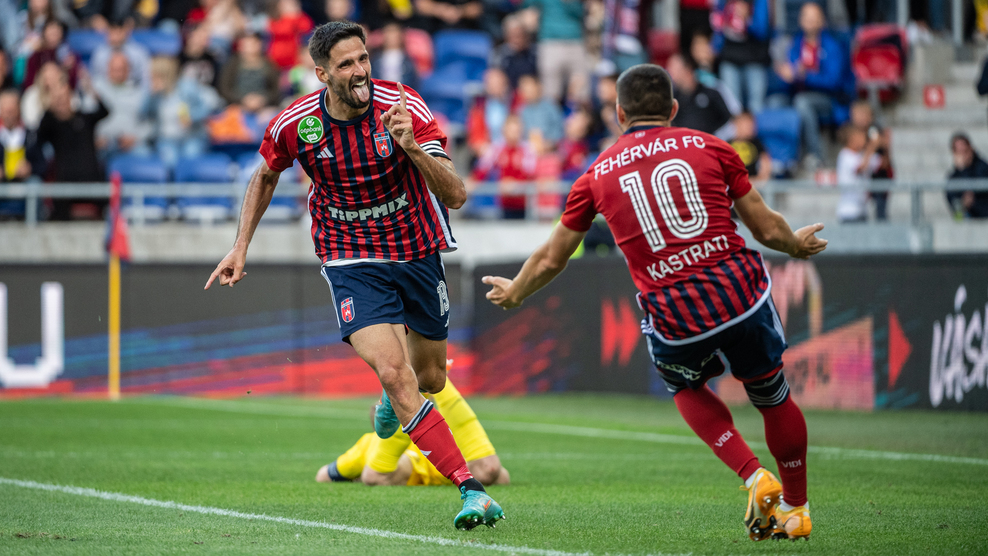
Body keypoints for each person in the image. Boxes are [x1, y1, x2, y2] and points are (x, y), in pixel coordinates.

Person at [482, 64, 826, 542]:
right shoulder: (713, 146)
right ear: (674, 109)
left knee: (685, 388)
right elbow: (766, 228)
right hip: (740, 294)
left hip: (676, 311)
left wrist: (516, 291)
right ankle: (797, 508)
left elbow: (551, 257)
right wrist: (796, 246)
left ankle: (753, 476)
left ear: (619, 113)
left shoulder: (596, 175)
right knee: (771, 395)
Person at [204, 21, 504, 530]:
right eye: (346, 64)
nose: (360, 70)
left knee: (431, 378)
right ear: (322, 74)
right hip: (349, 258)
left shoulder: (404, 107)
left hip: (416, 250)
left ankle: (391, 405)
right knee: (394, 373)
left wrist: (411, 146)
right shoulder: (297, 124)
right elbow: (266, 174)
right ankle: (471, 490)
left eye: (363, 58)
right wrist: (240, 246)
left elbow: (456, 195)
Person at [317, 372, 510, 486]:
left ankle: (432, 380)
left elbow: (498, 474)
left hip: (440, 465)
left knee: (493, 471)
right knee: (491, 471)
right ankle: (425, 382)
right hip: (416, 469)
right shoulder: (369, 444)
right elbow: (324, 475)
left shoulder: (437, 428)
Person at [774, 2, 846, 167]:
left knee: (802, 102)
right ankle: (782, 158)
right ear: (800, 20)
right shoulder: (795, 44)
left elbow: (833, 81)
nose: (810, 20)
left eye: (814, 17)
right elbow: (789, 76)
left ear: (822, 21)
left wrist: (805, 76)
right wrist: (785, 76)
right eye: (806, 16)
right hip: (795, 94)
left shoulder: (831, 46)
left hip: (827, 99)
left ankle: (816, 154)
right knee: (774, 103)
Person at [36, 76, 109, 219]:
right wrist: (51, 105)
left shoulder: (84, 118)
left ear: (70, 97)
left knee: (107, 206)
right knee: (58, 213)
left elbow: (105, 111)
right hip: (65, 179)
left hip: (91, 178)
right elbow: (40, 136)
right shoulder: (52, 123)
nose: (61, 101)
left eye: (64, 96)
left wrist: (91, 90)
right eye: (58, 98)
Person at [142, 56, 219, 169]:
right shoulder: (154, 95)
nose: (153, 80)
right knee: (169, 162)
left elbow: (204, 110)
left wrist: (191, 117)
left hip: (191, 137)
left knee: (190, 159)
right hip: (166, 139)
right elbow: (143, 114)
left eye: (156, 76)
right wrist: (150, 96)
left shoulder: (187, 87)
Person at [472, 114, 537, 219]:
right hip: (501, 204)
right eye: (511, 131)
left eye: (517, 131)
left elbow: (531, 174)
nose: (514, 134)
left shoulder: (527, 150)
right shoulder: (496, 148)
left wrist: (515, 184)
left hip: (523, 204)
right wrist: (473, 181)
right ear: (504, 131)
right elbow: (482, 170)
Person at [521, 0, 588, 103]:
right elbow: (527, 6)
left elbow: (583, 12)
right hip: (550, 44)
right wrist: (529, 16)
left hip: (575, 42)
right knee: (551, 95)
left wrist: (571, 3)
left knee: (580, 93)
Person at [712, 0, 771, 114]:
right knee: (732, 107)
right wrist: (716, 46)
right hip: (729, 58)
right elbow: (718, 26)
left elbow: (763, 31)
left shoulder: (759, 2)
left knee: (757, 107)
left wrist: (748, 18)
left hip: (755, 59)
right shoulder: (723, 2)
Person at [94, 52, 150, 159]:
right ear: (108, 69)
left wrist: (136, 137)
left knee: (145, 155)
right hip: (103, 143)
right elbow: (86, 117)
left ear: (128, 70)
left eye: (121, 69)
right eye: (114, 69)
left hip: (132, 143)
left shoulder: (139, 93)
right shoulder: (96, 89)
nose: (117, 73)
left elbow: (149, 123)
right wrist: (95, 137)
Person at [667, 54, 734, 138]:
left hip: (711, 141)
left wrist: (715, 137)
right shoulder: (672, 99)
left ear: (687, 69)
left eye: (675, 69)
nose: (671, 74)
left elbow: (729, 118)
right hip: (684, 143)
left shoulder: (711, 92)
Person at [848, 100, 892, 220]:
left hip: (879, 176)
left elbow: (884, 158)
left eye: (862, 115)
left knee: (880, 209)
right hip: (865, 178)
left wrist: (875, 146)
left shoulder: (874, 130)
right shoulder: (854, 132)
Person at [89, 17, 152, 92]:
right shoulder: (99, 53)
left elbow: (146, 80)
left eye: (118, 32)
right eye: (112, 31)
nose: (115, 37)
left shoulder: (139, 53)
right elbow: (94, 79)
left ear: (126, 31)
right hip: (105, 93)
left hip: (132, 92)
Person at [834, 124, 879, 223]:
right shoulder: (845, 155)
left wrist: (884, 146)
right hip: (849, 211)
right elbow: (860, 168)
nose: (863, 140)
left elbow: (882, 164)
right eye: (860, 137)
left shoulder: (862, 155)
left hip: (862, 210)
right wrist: (872, 146)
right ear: (851, 139)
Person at [517, 74, 563, 154]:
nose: (528, 92)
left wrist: (550, 143)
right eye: (525, 90)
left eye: (531, 89)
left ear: (538, 86)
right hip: (528, 153)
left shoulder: (551, 106)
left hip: (550, 151)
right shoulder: (521, 111)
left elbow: (559, 129)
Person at [946, 132, 988, 219]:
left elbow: (975, 188)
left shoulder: (982, 167)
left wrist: (964, 169)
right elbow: (953, 202)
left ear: (970, 148)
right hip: (967, 217)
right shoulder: (953, 177)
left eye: (964, 151)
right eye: (959, 152)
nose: (962, 155)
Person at [490, 14, 537, 89]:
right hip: (507, 92)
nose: (517, 40)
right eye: (513, 36)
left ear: (526, 35)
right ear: (506, 36)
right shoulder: (499, 53)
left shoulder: (535, 52)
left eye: (519, 35)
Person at [370, 21, 419, 89]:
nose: (391, 36)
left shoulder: (409, 60)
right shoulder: (374, 59)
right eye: (388, 32)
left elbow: (413, 82)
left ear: (401, 35)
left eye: (394, 32)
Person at [267, 0, 314, 71]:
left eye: (292, 5)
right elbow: (281, 31)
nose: (289, 8)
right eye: (285, 5)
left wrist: (297, 17)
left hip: (295, 60)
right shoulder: (274, 20)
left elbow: (307, 27)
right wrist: (290, 19)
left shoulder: (300, 18)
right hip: (276, 62)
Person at [728, 111, 771, 184]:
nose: (750, 127)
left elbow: (765, 164)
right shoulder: (727, 144)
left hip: (753, 184)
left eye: (751, 124)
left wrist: (759, 180)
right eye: (746, 124)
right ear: (737, 124)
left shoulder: (757, 143)